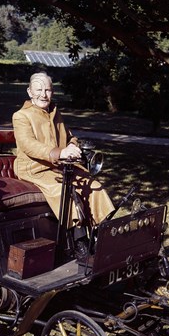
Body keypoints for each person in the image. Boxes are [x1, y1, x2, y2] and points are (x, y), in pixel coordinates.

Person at [12, 72, 115, 228]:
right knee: (66, 192)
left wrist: (72, 144)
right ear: (29, 92)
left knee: (93, 186)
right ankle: (78, 241)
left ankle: (102, 232)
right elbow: (28, 144)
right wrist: (59, 152)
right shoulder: (21, 116)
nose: (43, 95)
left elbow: (69, 136)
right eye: (38, 90)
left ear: (52, 92)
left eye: (47, 90)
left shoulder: (55, 113)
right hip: (34, 169)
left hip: (60, 167)